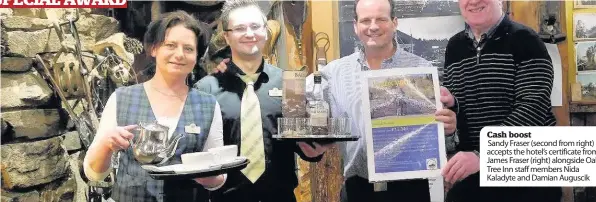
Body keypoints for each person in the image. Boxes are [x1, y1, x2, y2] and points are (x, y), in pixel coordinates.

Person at [304, 0, 458, 201]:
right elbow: (303, 106)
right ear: (355, 25)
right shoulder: (334, 74)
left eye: (381, 19)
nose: (373, 26)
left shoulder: (421, 69)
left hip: (411, 190)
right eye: (366, 20)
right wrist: (311, 141)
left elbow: (440, 139)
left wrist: (449, 129)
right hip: (358, 189)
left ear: (395, 22)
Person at [194, 0, 332, 202]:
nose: (249, 34)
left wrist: (314, 150)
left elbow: (301, 143)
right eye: (240, 28)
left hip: (280, 196)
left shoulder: (291, 83)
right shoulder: (206, 89)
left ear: (266, 32)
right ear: (226, 36)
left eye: (255, 27)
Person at [83, 11, 226, 202]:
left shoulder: (208, 105)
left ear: (197, 56)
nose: (179, 54)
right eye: (170, 45)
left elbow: (219, 177)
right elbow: (94, 174)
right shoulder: (121, 98)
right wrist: (106, 145)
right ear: (153, 49)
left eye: (189, 49)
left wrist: (208, 177)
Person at [440, 0, 562, 202]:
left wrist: (484, 155)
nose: (473, 1)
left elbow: (532, 108)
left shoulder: (526, 39)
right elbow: (461, 114)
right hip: (474, 180)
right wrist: (454, 106)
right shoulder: (454, 47)